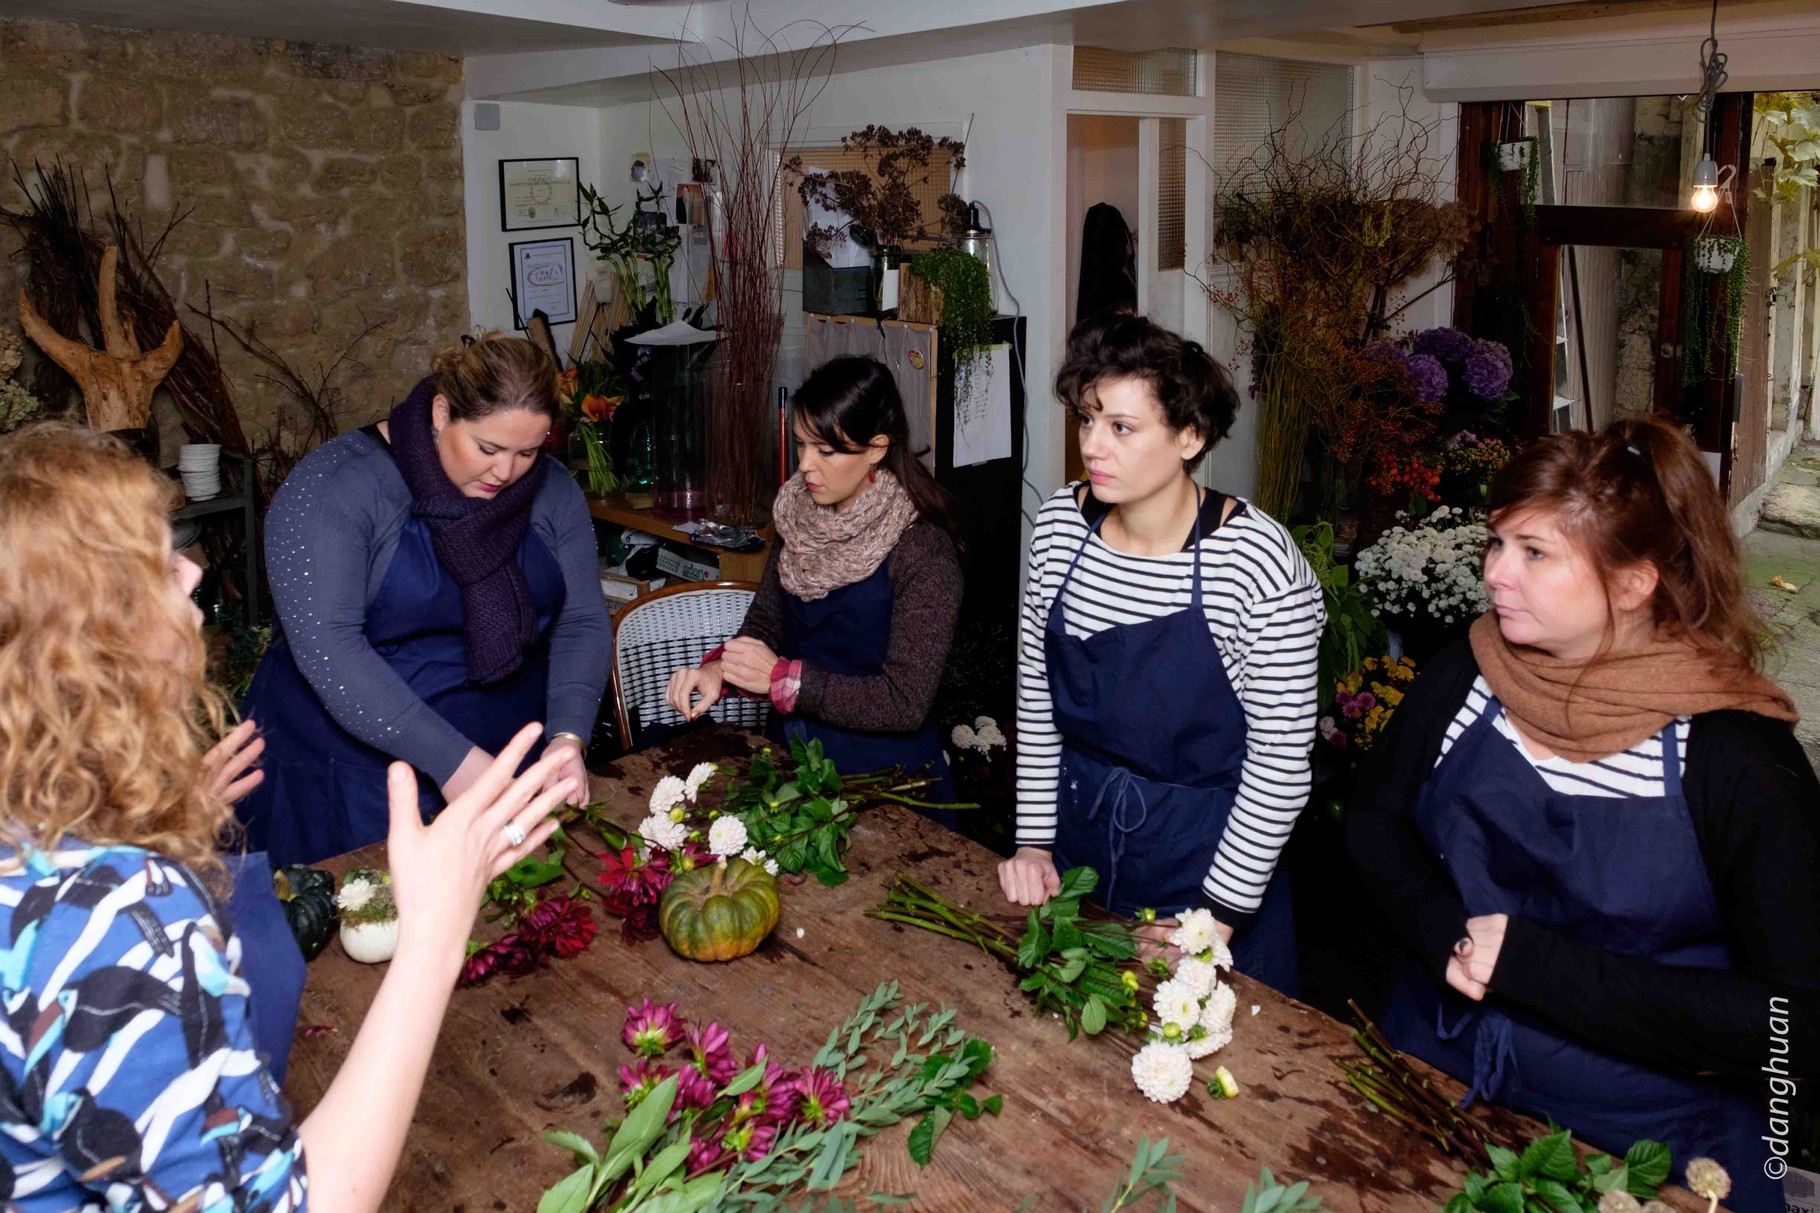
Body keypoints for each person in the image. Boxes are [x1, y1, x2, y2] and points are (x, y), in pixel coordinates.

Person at [0, 423, 578, 1212]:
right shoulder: (110, 929)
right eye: (159, 563)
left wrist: (159, 829)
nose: (195, 570)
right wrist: (438, 932)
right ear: (87, 645)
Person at [1347, 417, 1818, 1210]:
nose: (1496, 574)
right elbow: (1371, 821)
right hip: (1437, 1063)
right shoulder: (1470, 669)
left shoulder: (1734, 754)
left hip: (1648, 1135)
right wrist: (1440, 928)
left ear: (1633, 583)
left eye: (1535, 554)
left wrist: (1537, 967)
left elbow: (1793, 1023)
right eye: (1498, 543)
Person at [998, 314, 1323, 995]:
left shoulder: (1255, 563)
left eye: (1121, 426)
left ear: (1190, 436)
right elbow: (1036, 692)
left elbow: (1280, 767)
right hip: (1080, 841)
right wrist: (1033, 839)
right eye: (1087, 419)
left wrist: (1214, 918)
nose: (1093, 444)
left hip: (1206, 859)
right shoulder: (1061, 524)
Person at [240, 333, 611, 865]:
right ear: (441, 412)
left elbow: (580, 621)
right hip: (355, 774)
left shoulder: (552, 490)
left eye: (527, 451)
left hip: (504, 759)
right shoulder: (337, 485)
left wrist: (567, 739)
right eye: (487, 448)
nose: (505, 472)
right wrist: (455, 763)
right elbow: (329, 648)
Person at [664, 355, 964, 805]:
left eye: (826, 451)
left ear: (877, 448)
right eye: (801, 444)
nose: (805, 464)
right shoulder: (797, 521)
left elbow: (905, 702)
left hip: (887, 786)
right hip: (790, 766)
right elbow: (765, 625)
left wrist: (788, 681)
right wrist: (716, 671)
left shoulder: (923, 552)